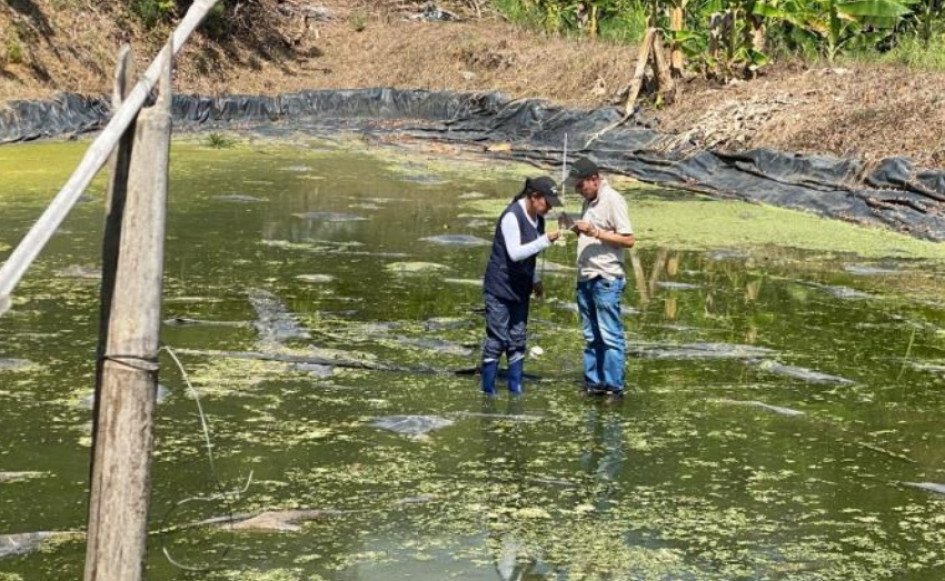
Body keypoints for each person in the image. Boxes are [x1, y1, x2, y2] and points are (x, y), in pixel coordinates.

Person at [480, 176, 563, 395]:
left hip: (521, 288)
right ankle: (488, 391)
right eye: (548, 202)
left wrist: (535, 279)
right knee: (498, 340)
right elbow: (515, 253)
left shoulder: (538, 220)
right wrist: (546, 240)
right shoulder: (512, 216)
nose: (550, 207)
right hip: (500, 286)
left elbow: (530, 254)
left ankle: (515, 389)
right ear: (534, 196)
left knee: (518, 339)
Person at [566, 158, 635, 397]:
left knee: (609, 335)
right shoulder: (589, 200)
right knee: (590, 335)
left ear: (594, 179)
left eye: (580, 185)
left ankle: (614, 387)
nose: (577, 190)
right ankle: (594, 383)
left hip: (606, 277)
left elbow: (628, 240)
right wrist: (576, 229)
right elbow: (589, 236)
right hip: (585, 276)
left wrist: (595, 232)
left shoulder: (613, 199)